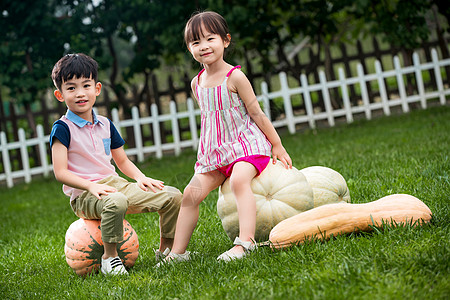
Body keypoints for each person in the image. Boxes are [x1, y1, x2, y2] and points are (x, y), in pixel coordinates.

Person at [159, 11, 292, 265]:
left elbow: (257, 113)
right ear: (189, 48)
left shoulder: (235, 77)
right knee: (190, 194)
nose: (204, 46)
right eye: (196, 42)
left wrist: (277, 144)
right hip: (215, 154)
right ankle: (178, 253)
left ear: (226, 40)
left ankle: (245, 243)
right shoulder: (196, 83)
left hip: (246, 147)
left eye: (210, 39)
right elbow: (212, 120)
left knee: (239, 181)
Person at [50, 53, 182, 275]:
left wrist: (140, 178)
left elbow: (122, 160)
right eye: (71, 88)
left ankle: (167, 251)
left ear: (97, 88)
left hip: (114, 184)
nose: (80, 93)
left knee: (172, 196)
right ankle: (110, 259)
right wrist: (91, 186)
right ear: (60, 95)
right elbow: (60, 172)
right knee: (116, 201)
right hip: (84, 194)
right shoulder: (62, 128)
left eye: (86, 85)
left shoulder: (105, 124)